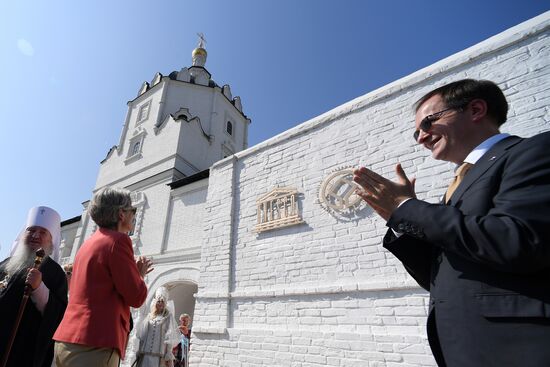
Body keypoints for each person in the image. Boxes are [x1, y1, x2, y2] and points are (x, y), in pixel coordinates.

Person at [353, 79, 550, 367]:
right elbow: (440, 275)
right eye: (416, 132)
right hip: (463, 346)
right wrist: (401, 220)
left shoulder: (532, 152)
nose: (421, 137)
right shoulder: (459, 183)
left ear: (476, 109)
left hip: (517, 347)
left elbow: (518, 241)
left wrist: (407, 208)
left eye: (428, 122)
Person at [53, 187, 153, 367]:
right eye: (132, 210)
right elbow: (136, 297)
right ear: (121, 214)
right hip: (95, 343)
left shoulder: (88, 243)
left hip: (68, 338)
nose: (134, 215)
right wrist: (140, 274)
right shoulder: (118, 241)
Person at [0, 206, 68, 367]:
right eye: (31, 230)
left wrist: (39, 289)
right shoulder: (5, 265)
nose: (36, 235)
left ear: (51, 240)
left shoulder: (55, 272)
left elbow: (59, 315)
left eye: (43, 232)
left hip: (21, 349)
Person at [135, 287, 179, 367]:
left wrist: (168, 352)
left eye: (162, 302)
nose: (160, 303)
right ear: (155, 302)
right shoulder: (149, 316)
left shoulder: (168, 317)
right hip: (146, 353)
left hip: (159, 354)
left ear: (165, 303)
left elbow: (169, 335)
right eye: (158, 301)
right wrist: (140, 349)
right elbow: (143, 335)